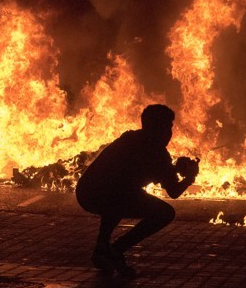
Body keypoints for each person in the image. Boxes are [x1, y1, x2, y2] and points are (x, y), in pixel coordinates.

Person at [75, 104, 199, 277]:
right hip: (105, 193)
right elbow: (173, 191)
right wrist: (189, 177)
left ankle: (102, 248)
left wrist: (172, 169)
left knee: (120, 194)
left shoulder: (130, 138)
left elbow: (141, 169)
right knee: (164, 213)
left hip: (87, 190)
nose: (170, 133)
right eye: (167, 127)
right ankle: (115, 250)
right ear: (157, 127)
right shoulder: (157, 153)